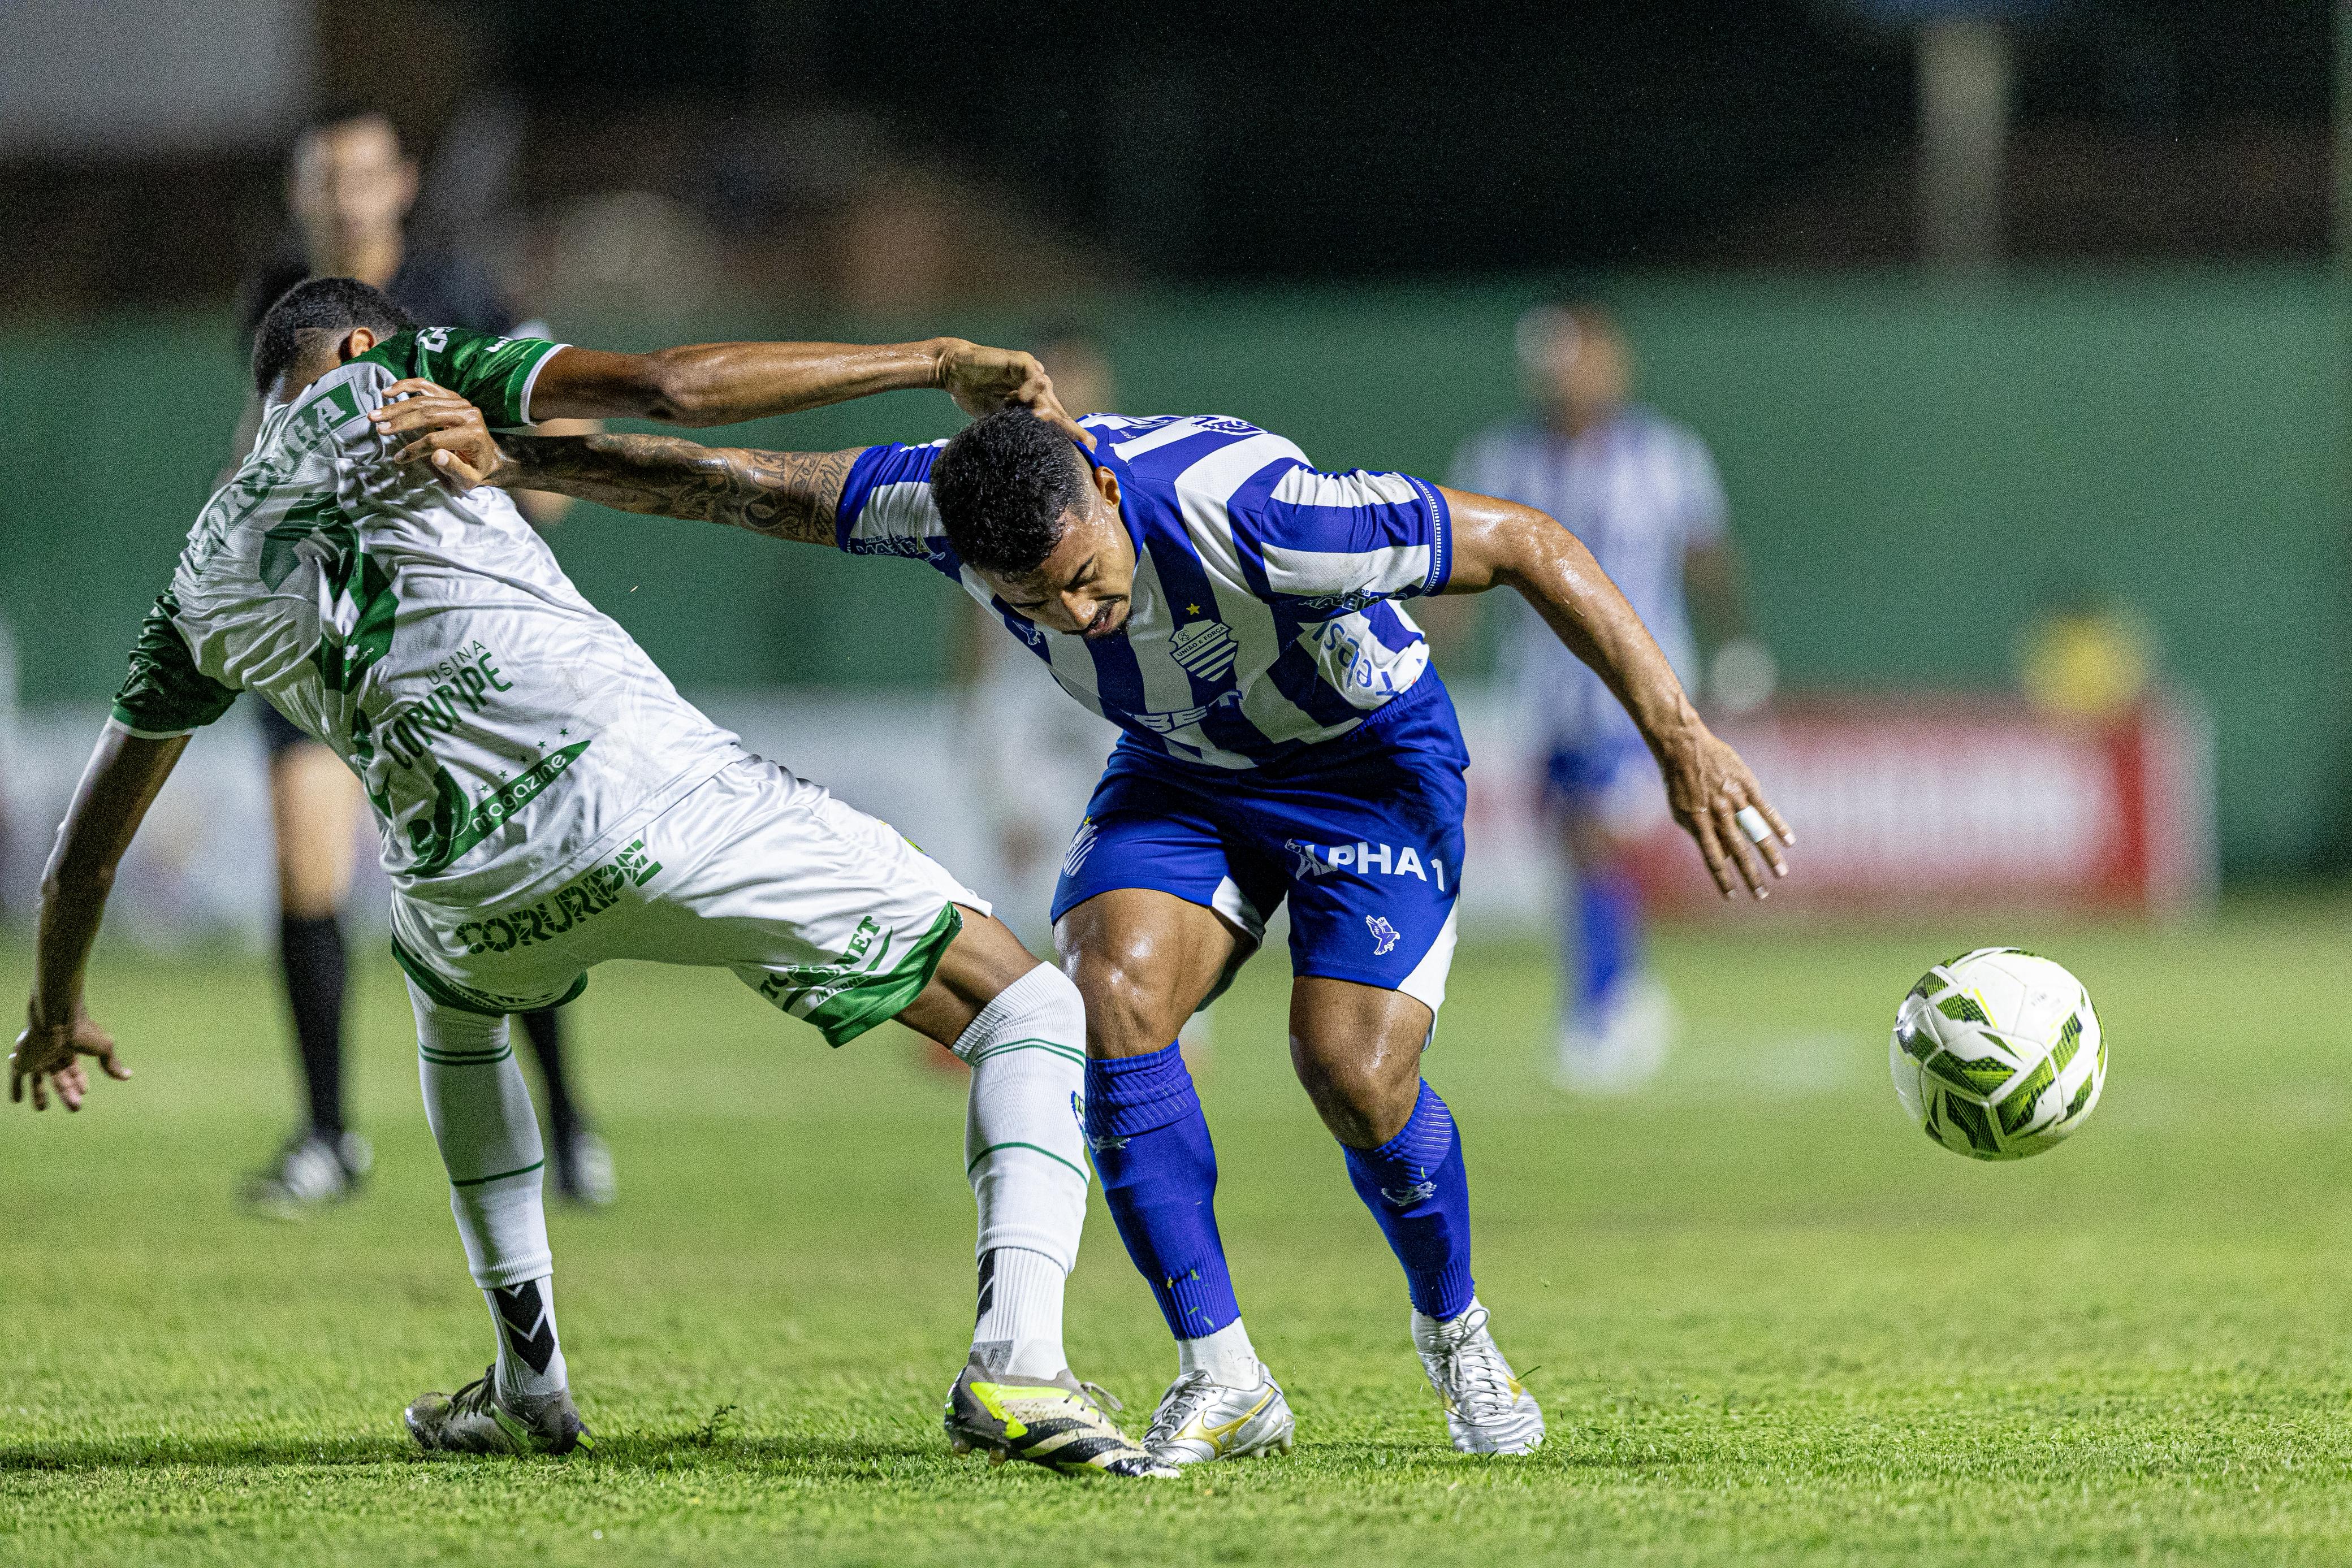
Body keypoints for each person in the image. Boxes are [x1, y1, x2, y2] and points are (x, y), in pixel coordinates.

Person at [367, 379, 1795, 1467]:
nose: (1079, 610)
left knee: (1352, 1072)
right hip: (1183, 775)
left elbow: (1532, 541)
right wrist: (519, 452)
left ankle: (1457, 1335)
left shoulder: (1266, 516)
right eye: (1033, 600)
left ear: (1104, 486)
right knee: (1104, 987)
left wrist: (1677, 737)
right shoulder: (948, 509)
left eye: (1082, 571)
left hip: (1364, 765)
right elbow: (737, 480)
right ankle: (1224, 1371)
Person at [10, 279, 1169, 1478]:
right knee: (1024, 1004)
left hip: (466, 888)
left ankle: (528, 1381)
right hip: (651, 798)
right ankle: (1018, 1361)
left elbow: (87, 844)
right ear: (362, 342)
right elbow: (672, 386)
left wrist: (56, 1007)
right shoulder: (402, 375)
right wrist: (930, 359)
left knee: (447, 1000)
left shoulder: (201, 570)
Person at [230, 106, 613, 1212]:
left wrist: (517, 464)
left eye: (360, 176)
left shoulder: (461, 296)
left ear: (398, 185)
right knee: (309, 871)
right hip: (319, 631)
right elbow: (250, 451)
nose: (342, 199)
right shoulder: (275, 304)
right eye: (321, 181)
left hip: (446, 642)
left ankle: (571, 1119)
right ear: (301, 195)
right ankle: (326, 1136)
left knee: (499, 885)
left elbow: (546, 460)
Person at [1451, 304, 1772, 1093]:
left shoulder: (1665, 455)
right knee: (1568, 844)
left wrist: (1736, 642)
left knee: (1598, 832)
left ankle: (1598, 1012)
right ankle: (1629, 988)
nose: (1570, 375)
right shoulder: (1502, 457)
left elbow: (1706, 553)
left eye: (1585, 357)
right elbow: (1454, 569)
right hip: (1548, 690)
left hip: (1641, 687)